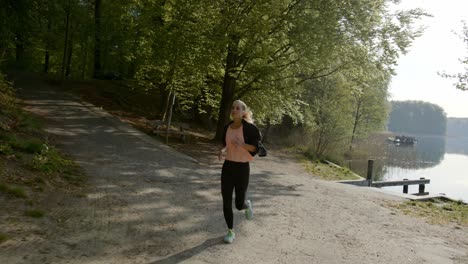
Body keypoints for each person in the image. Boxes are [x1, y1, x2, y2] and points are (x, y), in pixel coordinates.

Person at [219, 99, 261, 244]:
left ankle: (246, 204)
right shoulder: (227, 128)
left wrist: (242, 145)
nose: (234, 110)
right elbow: (226, 145)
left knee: (238, 204)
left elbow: (256, 148)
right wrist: (222, 151)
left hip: (242, 168)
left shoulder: (250, 129)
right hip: (228, 167)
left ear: (243, 112)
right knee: (226, 202)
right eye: (233, 107)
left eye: (238, 108)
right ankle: (231, 231)